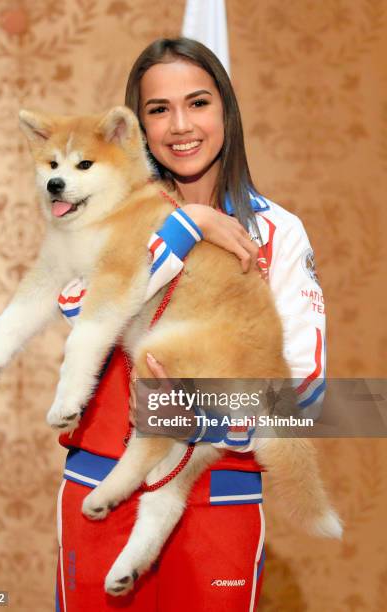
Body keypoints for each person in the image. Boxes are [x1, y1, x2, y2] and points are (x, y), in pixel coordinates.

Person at [55, 38, 325, 611]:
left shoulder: (280, 232)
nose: (181, 125)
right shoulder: (99, 212)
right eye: (159, 109)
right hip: (99, 491)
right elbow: (79, 310)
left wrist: (191, 411)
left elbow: (312, 390)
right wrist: (183, 227)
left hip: (217, 497)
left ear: (225, 111)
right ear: (138, 127)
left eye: (198, 103)